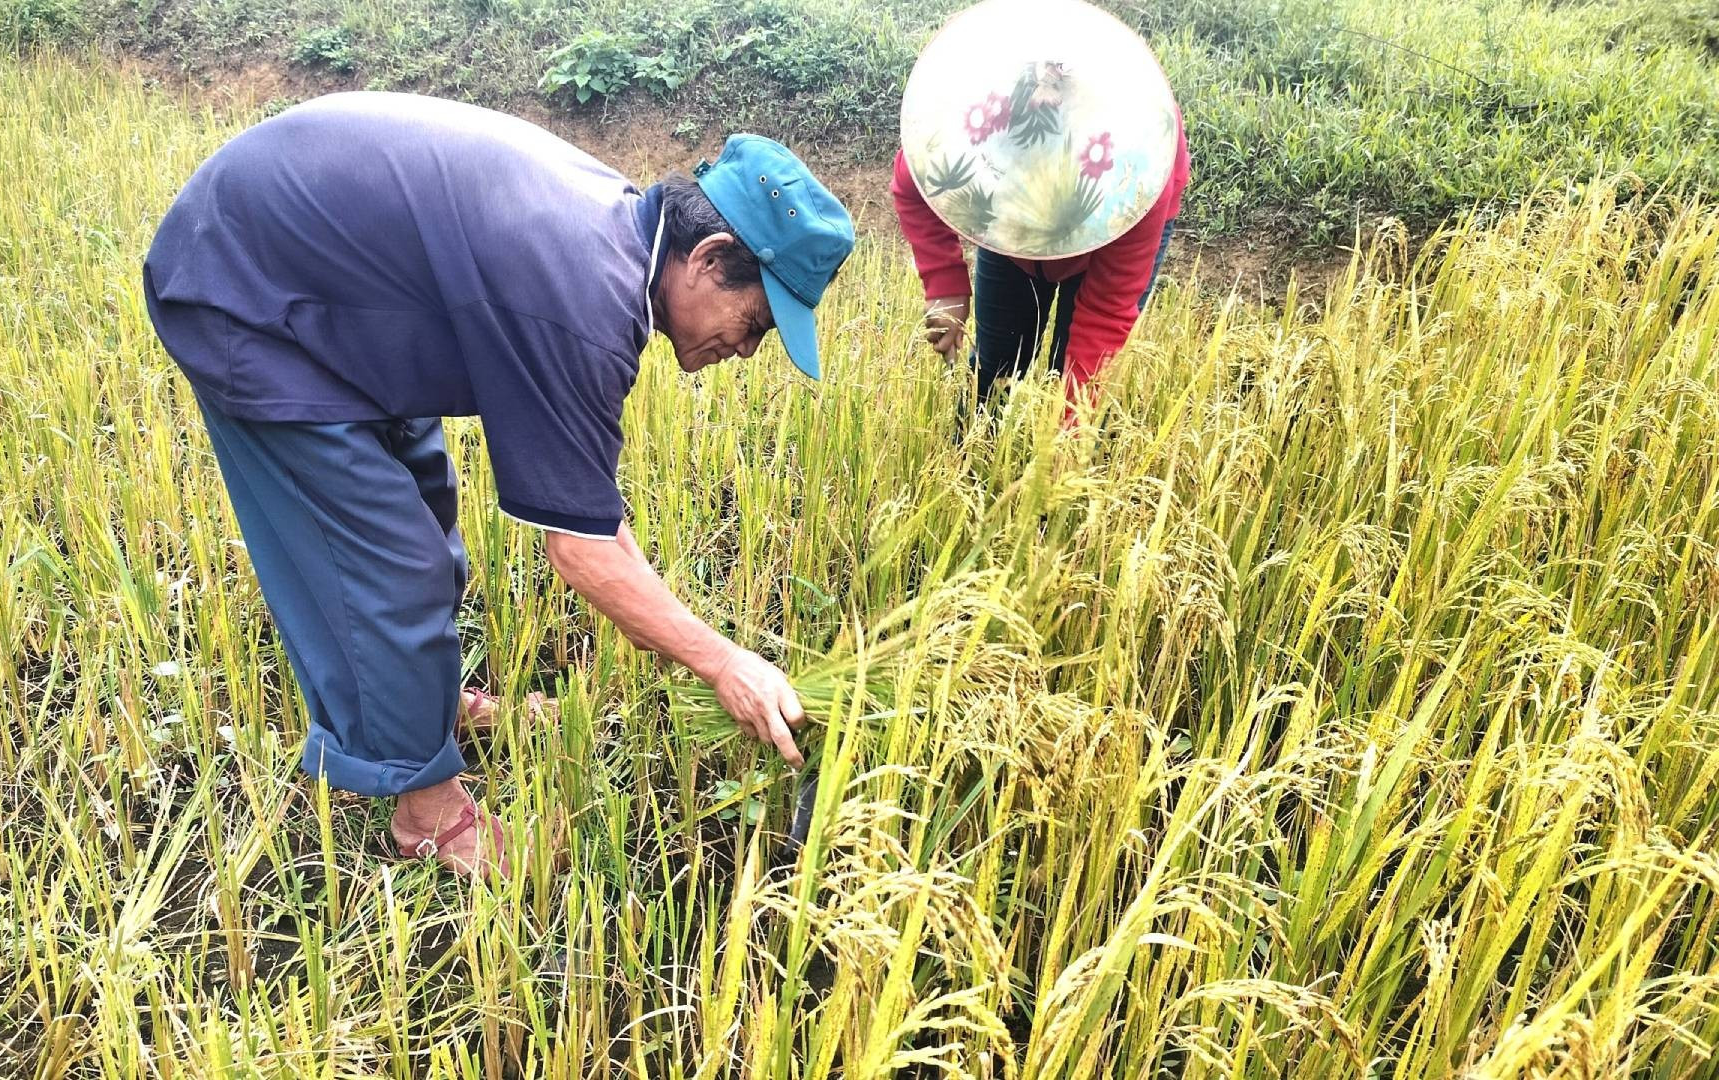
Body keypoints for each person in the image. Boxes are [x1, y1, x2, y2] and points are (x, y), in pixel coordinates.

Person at [140, 92, 854, 877]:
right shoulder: (586, 301)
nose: (746, 351)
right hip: (245, 292)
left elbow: (592, 517)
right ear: (711, 257)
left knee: (425, 507)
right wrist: (723, 663)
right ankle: (427, 812)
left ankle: (425, 704)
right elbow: (582, 551)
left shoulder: (617, 240)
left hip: (333, 288)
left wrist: (664, 605)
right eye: (754, 324)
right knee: (388, 563)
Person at [890, 0, 1189, 410]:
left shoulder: (1136, 170)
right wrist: (945, 286)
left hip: (1110, 226)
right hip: (1008, 237)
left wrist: (1066, 453)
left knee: (1073, 369)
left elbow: (1103, 317)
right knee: (997, 367)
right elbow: (915, 185)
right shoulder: (969, 119)